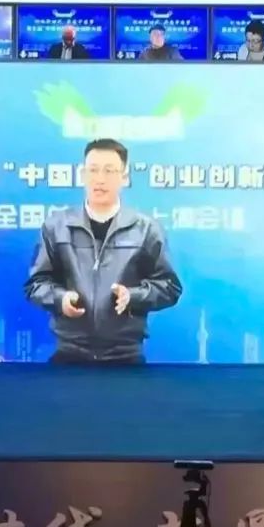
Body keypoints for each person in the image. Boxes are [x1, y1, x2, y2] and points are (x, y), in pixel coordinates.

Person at [25, 139, 182, 364]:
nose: (100, 179)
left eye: (109, 171)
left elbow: (169, 287)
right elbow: (36, 284)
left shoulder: (146, 229)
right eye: (93, 170)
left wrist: (133, 296)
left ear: (124, 177)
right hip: (69, 355)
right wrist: (61, 299)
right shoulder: (57, 227)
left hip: (126, 357)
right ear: (82, 175)